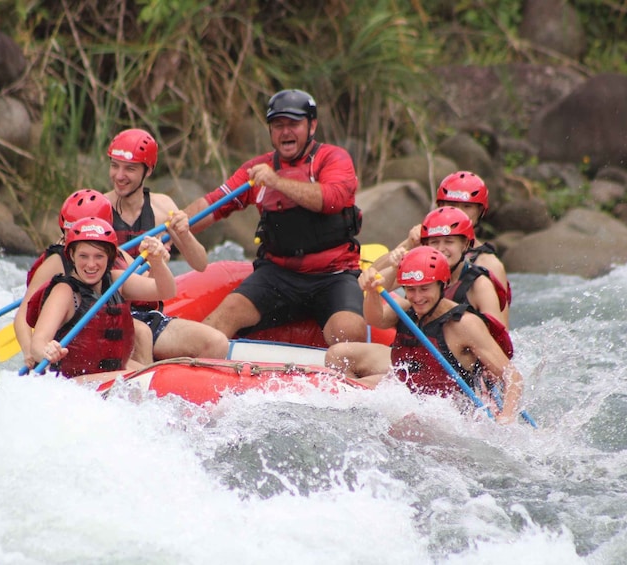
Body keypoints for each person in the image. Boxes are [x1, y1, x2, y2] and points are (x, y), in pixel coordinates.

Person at [183, 89, 366, 345]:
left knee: (348, 331)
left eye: (294, 124)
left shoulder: (333, 158)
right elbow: (214, 204)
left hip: (334, 274)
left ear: (312, 126)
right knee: (225, 315)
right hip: (278, 275)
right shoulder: (255, 170)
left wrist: (277, 182)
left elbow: (331, 199)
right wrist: (180, 223)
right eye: (278, 125)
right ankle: (189, 368)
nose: (285, 132)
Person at [328, 246, 523, 424]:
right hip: (408, 390)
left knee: (404, 424)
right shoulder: (407, 308)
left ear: (442, 284)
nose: (417, 298)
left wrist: (507, 415)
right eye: (410, 290)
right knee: (343, 388)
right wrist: (372, 292)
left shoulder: (465, 324)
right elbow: (375, 320)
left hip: (448, 411)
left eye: (424, 288)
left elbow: (512, 376)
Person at [105, 128, 230, 359]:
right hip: (107, 315)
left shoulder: (163, 209)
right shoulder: (99, 209)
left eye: (130, 168)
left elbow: (200, 264)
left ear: (148, 170)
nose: (119, 175)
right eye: (115, 165)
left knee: (216, 343)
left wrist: (185, 234)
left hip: (149, 315)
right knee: (139, 338)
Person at [13, 189, 154, 369]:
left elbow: (154, 288)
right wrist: (30, 350)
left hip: (108, 327)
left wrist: (158, 261)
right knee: (141, 331)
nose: (74, 238)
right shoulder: (57, 262)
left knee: (142, 332)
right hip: (74, 336)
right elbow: (23, 315)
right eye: (70, 232)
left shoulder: (118, 255)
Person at [28, 217, 175, 386]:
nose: (91, 265)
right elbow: (38, 341)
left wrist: (157, 263)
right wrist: (46, 351)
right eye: (83, 256)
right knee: (146, 382)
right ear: (72, 256)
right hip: (69, 386)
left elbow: (166, 291)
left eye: (99, 256)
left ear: (110, 257)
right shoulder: (64, 292)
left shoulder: (117, 281)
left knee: (159, 377)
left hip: (107, 377)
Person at [381, 171, 511, 322]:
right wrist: (409, 244)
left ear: (480, 211)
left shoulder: (489, 264)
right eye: (451, 205)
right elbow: (370, 279)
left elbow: (501, 330)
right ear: (440, 207)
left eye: (467, 206)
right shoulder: (424, 250)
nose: (458, 211)